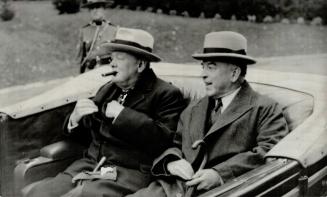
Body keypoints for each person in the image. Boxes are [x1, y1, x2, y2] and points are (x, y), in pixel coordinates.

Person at [26, 27, 186, 197]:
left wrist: (122, 115)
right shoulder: (108, 89)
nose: (112, 63)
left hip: (126, 173)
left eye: (120, 57)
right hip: (93, 167)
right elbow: (88, 133)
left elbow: (164, 141)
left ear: (140, 64)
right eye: (112, 57)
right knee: (39, 193)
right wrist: (75, 119)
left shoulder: (166, 94)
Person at [128, 31, 289, 197]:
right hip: (170, 190)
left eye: (211, 67)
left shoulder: (265, 108)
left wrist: (220, 174)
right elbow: (174, 144)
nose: (203, 74)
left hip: (226, 191)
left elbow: (271, 154)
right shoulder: (193, 108)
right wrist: (172, 162)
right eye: (203, 66)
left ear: (234, 73)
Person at [77, 0, 117, 73]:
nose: (94, 11)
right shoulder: (84, 30)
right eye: (92, 8)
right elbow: (81, 58)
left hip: (108, 71)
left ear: (104, 9)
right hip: (89, 71)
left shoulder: (114, 30)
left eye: (98, 7)